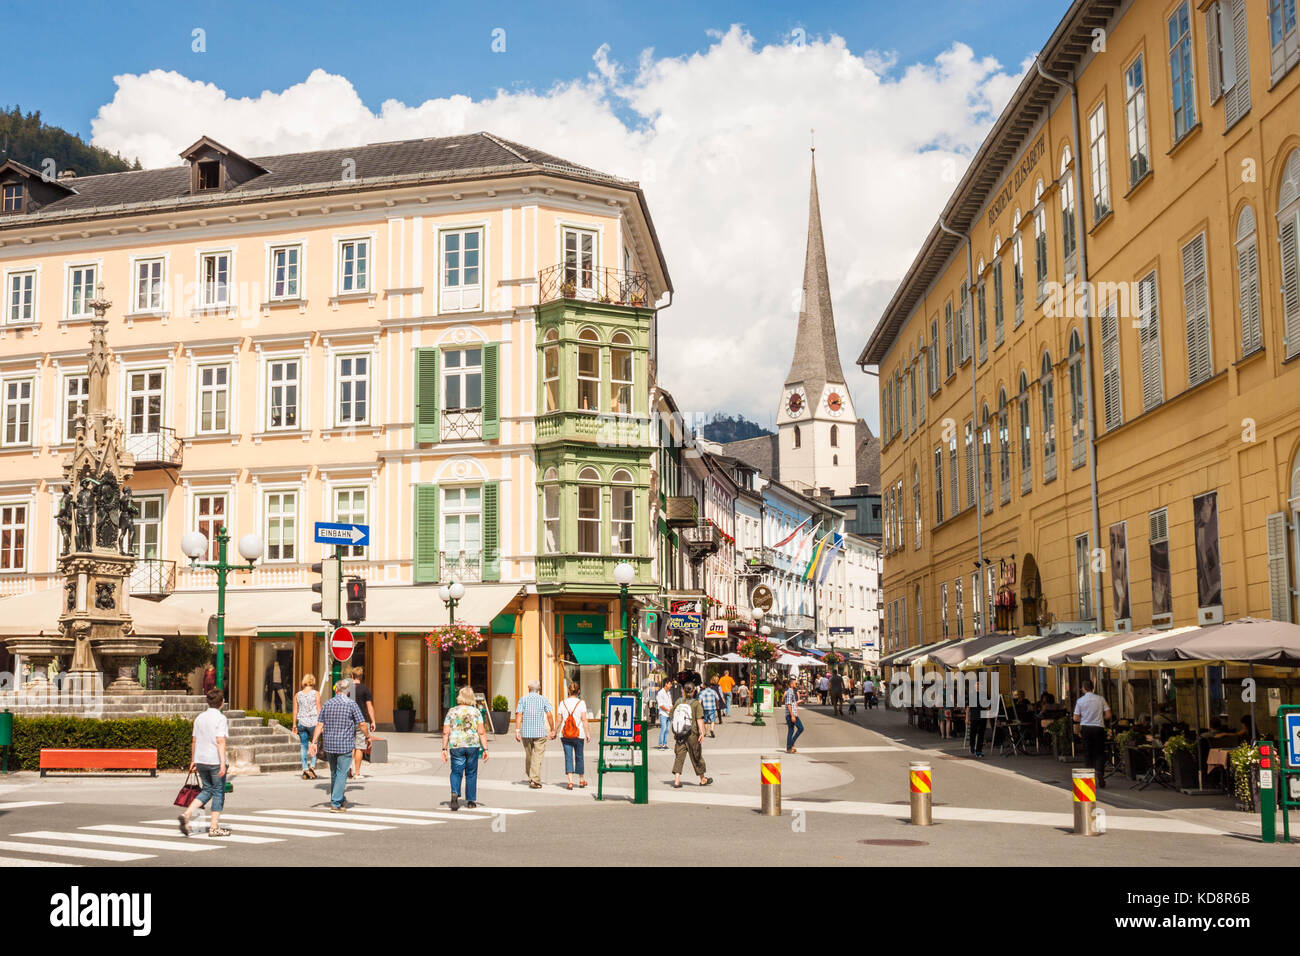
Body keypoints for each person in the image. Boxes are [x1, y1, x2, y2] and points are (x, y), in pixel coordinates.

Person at [308, 678, 372, 811]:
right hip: (345, 744)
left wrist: (314, 742)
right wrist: (367, 736)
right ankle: (336, 803)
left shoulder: (327, 704)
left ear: (336, 690)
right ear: (348, 692)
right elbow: (361, 723)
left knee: (334, 773)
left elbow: (320, 724)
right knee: (342, 773)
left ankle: (340, 798)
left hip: (329, 745)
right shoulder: (351, 704)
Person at [179, 687, 231, 837]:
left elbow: (194, 740)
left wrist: (193, 759)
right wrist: (222, 763)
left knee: (207, 790)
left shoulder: (199, 718)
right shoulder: (221, 718)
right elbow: (220, 741)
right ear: (222, 703)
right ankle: (214, 827)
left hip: (201, 759)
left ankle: (187, 814)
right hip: (214, 760)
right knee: (218, 792)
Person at [441, 685, 490, 810]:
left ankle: (455, 792)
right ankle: (471, 801)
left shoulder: (452, 711)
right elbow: (481, 731)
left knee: (456, 771)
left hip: (456, 745)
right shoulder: (476, 712)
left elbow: (446, 731)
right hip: (472, 745)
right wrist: (485, 749)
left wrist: (444, 749)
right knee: (471, 772)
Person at [515, 679, 555, 789]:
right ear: (539, 689)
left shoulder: (523, 699)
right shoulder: (543, 699)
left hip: (526, 732)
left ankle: (532, 777)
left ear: (529, 688)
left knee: (529, 756)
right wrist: (552, 729)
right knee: (537, 756)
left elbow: (519, 715)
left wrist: (517, 730)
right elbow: (549, 715)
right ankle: (534, 779)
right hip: (540, 732)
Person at [669, 684, 712, 788]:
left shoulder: (678, 701)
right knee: (696, 756)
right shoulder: (696, 703)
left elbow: (671, 715)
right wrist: (702, 732)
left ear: (683, 690)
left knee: (679, 756)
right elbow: (699, 719)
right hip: (692, 734)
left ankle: (677, 780)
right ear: (693, 691)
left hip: (680, 734)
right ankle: (702, 779)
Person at [1073, 679, 1112, 787]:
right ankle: (1100, 772)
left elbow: (1075, 717)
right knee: (1099, 752)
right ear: (1093, 688)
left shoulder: (1080, 701)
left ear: (1083, 688)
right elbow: (1108, 715)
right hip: (1098, 728)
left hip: (1086, 728)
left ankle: (1089, 777)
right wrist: (1100, 718)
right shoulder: (1100, 699)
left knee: (1087, 753)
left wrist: (1085, 719)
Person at [557, 681, 589, 790]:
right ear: (578, 691)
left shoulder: (562, 703)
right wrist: (588, 733)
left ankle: (570, 782)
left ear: (568, 691)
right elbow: (584, 719)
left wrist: (554, 731)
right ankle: (581, 780)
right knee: (579, 756)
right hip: (578, 734)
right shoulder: (581, 703)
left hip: (565, 734)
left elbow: (559, 720)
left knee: (568, 757)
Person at [292, 674, 322, 780]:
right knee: (314, 744)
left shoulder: (297, 695)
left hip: (302, 722)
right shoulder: (316, 694)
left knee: (303, 746)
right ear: (313, 682)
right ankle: (312, 768)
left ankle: (304, 769)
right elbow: (319, 709)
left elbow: (295, 711)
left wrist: (294, 724)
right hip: (314, 722)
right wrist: (321, 723)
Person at [349, 666, 376, 780]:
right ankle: (357, 773)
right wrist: (373, 721)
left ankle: (348, 770)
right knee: (359, 746)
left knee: (349, 747)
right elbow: (369, 706)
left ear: (352, 676)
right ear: (361, 677)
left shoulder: (347, 689)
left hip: (348, 720)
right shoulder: (365, 689)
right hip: (361, 720)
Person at [783, 679, 804, 753]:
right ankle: (790, 745)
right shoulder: (789, 692)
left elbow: (791, 703)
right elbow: (788, 704)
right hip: (791, 714)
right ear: (791, 684)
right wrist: (792, 715)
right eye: (795, 683)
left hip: (792, 714)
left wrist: (798, 702)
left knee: (791, 730)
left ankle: (789, 747)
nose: (796, 684)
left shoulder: (791, 692)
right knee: (800, 728)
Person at [656, 679, 674, 750]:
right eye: (670, 684)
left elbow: (670, 703)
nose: (671, 685)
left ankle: (665, 744)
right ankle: (660, 744)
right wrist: (667, 709)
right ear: (666, 684)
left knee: (667, 729)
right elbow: (660, 705)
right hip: (663, 713)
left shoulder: (668, 693)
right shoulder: (661, 693)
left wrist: (671, 709)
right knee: (663, 729)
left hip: (668, 714)